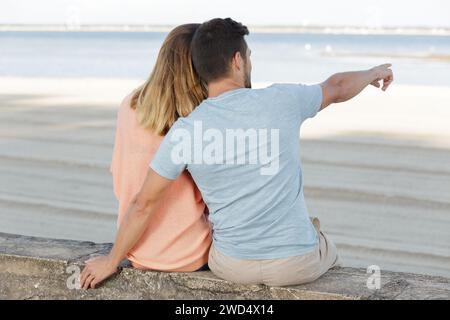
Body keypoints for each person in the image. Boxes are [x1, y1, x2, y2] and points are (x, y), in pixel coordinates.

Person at [80, 18, 393, 288]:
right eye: (249, 56)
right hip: (296, 264)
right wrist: (373, 72)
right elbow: (337, 86)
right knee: (325, 245)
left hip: (230, 265)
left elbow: (142, 203)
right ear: (237, 61)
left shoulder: (184, 129)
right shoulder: (282, 100)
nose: (251, 63)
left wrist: (111, 261)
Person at [80, 24, 212, 289]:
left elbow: (120, 177)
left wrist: (115, 256)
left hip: (139, 251)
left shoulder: (130, 104)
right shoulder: (198, 117)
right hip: (190, 255)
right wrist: (110, 261)